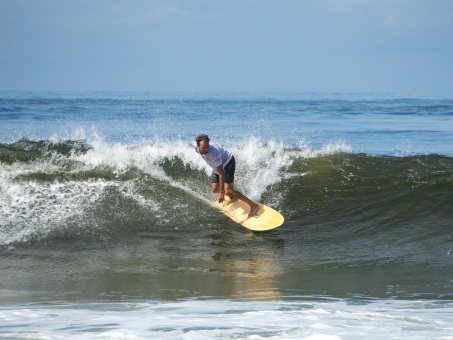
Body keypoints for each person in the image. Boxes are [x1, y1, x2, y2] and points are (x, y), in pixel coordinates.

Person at [194, 133, 260, 218]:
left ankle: (254, 205)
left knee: (228, 190)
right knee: (214, 189)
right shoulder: (195, 147)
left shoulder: (214, 152)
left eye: (207, 146)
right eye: (204, 147)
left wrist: (221, 192)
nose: (206, 149)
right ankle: (233, 197)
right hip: (216, 167)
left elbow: (221, 173)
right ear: (198, 145)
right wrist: (219, 191)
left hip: (228, 162)